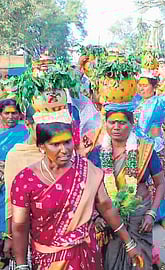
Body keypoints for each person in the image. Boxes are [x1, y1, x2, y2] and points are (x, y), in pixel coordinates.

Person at [10, 107, 143, 269]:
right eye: (55, 144)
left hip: (85, 255)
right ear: (41, 146)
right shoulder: (25, 180)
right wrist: (21, 265)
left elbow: (107, 207)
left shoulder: (87, 170)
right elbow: (19, 226)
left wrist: (128, 243)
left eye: (67, 142)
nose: (64, 150)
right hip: (48, 261)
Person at [88, 102, 165, 269]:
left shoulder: (145, 151)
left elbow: (160, 184)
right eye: (112, 122)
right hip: (108, 219)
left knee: (141, 260)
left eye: (122, 122)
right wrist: (95, 217)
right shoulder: (96, 153)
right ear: (105, 124)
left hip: (139, 218)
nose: (116, 127)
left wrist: (152, 213)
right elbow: (88, 190)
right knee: (111, 259)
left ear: (131, 124)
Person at [134, 68, 165, 229]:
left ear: (154, 86)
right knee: (142, 184)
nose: (141, 88)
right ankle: (144, 213)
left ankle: (161, 216)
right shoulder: (135, 102)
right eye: (139, 85)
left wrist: (164, 74)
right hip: (137, 147)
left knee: (160, 183)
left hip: (156, 146)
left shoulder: (160, 101)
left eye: (145, 85)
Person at [3, 106, 41, 269]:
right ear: (28, 123)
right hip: (26, 234)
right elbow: (10, 201)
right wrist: (9, 236)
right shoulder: (16, 155)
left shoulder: (62, 152)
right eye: (42, 126)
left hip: (58, 235)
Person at [0, 97, 28, 266]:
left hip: (19, 183)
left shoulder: (26, 132)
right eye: (7, 113)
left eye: (14, 113)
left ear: (20, 114)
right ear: (1, 115)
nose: (11, 117)